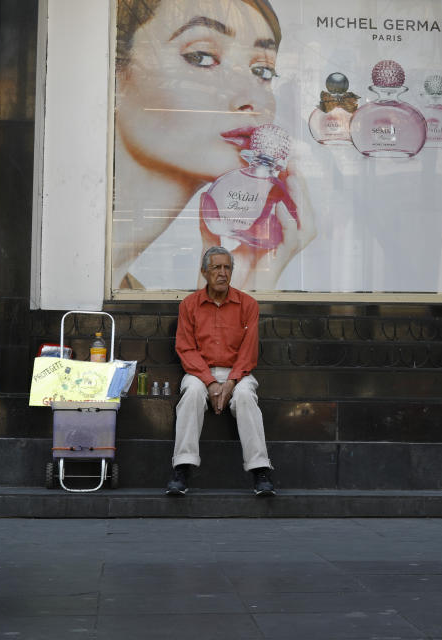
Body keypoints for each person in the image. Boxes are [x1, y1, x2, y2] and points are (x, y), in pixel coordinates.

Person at [113, 0, 317, 291]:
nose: (252, 98)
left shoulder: (126, 294)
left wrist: (247, 286)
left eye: (263, 71)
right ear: (116, 74)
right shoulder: (45, 268)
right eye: (202, 57)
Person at [167, 245, 275, 496]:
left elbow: (248, 352)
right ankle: (182, 467)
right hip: (198, 372)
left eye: (227, 267)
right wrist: (210, 381)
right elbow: (186, 348)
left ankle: (260, 471)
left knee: (247, 397)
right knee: (191, 395)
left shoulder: (247, 304)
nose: (223, 273)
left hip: (238, 373)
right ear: (204, 272)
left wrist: (231, 382)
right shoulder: (189, 305)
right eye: (217, 267)